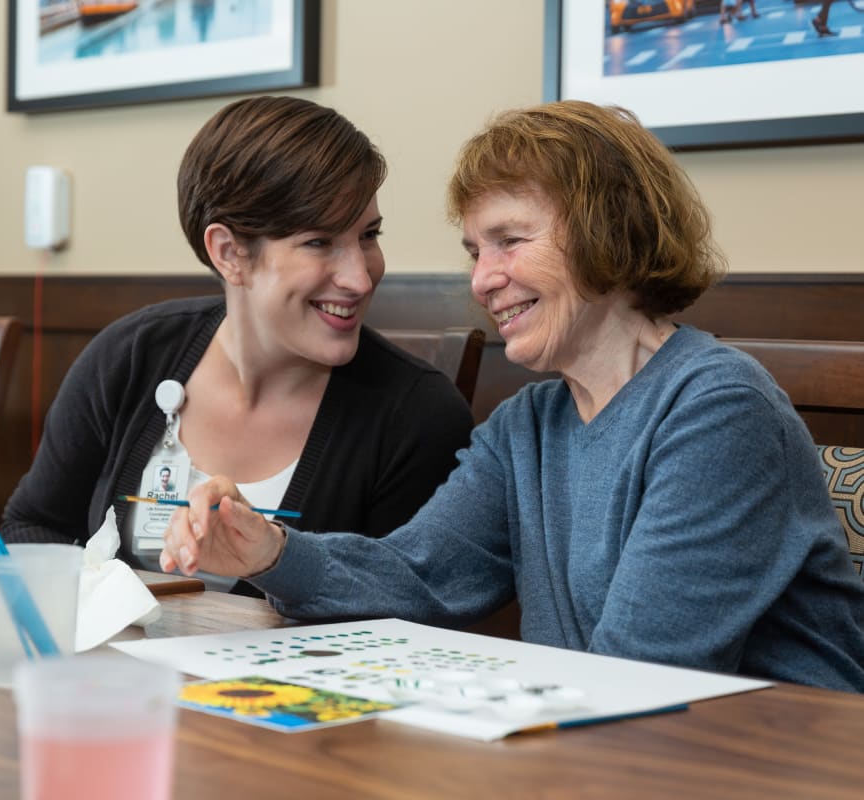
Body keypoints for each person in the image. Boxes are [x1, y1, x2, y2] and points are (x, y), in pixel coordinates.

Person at [160, 100, 864, 692]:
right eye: (475, 251)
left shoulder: (717, 409)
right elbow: (419, 576)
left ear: (606, 233)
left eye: (509, 241)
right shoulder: (527, 425)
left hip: (769, 765)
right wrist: (269, 551)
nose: (483, 279)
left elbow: (645, 673)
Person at [2, 96, 474, 593]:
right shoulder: (131, 354)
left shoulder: (417, 415)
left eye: (369, 235)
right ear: (229, 252)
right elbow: (34, 527)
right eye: (319, 242)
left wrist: (271, 558)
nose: (360, 277)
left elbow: (404, 607)